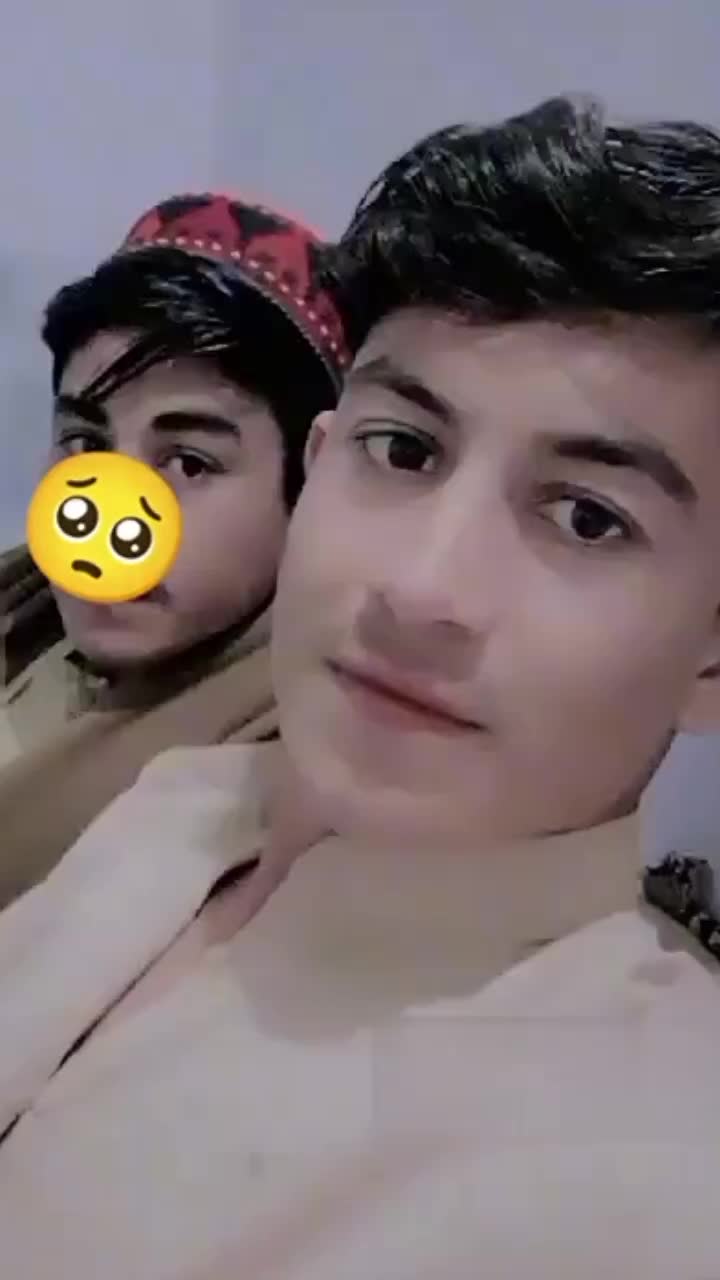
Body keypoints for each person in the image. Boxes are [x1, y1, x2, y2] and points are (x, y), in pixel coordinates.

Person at [3, 95, 720, 1278]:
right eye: (406, 449)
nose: (420, 585)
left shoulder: (650, 1176)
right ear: (326, 464)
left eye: (590, 517)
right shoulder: (183, 800)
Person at [0, 192, 347, 906]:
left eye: (189, 462)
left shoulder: (290, 790)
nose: (108, 515)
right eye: (85, 444)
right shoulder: (21, 607)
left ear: (309, 487)